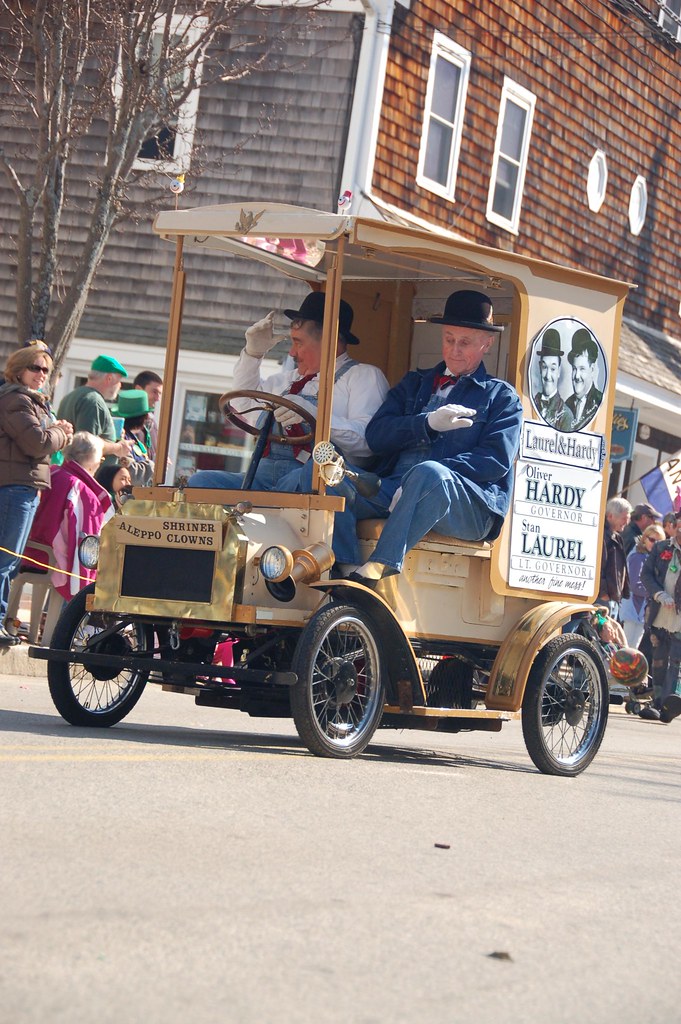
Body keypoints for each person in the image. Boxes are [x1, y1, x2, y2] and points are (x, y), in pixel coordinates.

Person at [345, 290, 523, 588]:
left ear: (487, 343)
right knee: (330, 479)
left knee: (430, 473)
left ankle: (380, 566)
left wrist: (421, 480)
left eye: (464, 342)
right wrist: (424, 423)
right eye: (448, 339)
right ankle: (345, 567)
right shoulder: (414, 384)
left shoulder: (501, 397)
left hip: (469, 506)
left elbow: (494, 461)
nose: (454, 350)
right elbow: (376, 436)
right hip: (395, 490)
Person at [187, 292, 389, 491]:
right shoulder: (286, 380)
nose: (291, 352)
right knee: (200, 483)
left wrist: (316, 416)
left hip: (316, 481)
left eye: (298, 342)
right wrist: (253, 354)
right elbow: (243, 405)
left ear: (330, 342)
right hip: (261, 478)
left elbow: (367, 443)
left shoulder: (363, 376)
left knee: (302, 478)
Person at [0, 343, 72, 644]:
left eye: (46, 369)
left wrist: (55, 430)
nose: (41, 374)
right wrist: (62, 433)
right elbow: (37, 443)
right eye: (36, 368)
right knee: (6, 559)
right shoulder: (15, 399)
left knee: (12, 561)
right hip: (14, 488)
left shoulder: (33, 401)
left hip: (25, 487)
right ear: (19, 370)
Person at [21, 432, 114, 608]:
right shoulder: (80, 490)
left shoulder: (51, 472)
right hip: (50, 559)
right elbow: (85, 546)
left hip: (28, 549)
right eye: (101, 459)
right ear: (92, 459)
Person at [57, 355, 133, 462]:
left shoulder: (73, 395)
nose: (120, 385)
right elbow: (87, 445)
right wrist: (118, 448)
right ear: (109, 378)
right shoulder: (93, 401)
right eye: (119, 381)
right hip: (87, 474)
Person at [640, 529, 681, 722]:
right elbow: (646, 574)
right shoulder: (661, 547)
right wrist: (659, 594)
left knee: (675, 660)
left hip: (679, 617)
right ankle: (657, 702)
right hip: (660, 613)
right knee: (659, 658)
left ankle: (668, 705)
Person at [619, 523, 665, 647]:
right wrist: (656, 594)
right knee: (626, 648)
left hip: (641, 611)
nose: (654, 543)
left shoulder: (650, 557)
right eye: (652, 539)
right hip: (633, 608)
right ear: (644, 539)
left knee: (633, 649)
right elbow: (635, 585)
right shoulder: (637, 556)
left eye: (659, 541)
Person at [597, 496, 632, 619]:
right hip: (603, 599)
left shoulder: (616, 537)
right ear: (610, 516)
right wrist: (603, 592)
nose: (626, 523)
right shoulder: (602, 536)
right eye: (624, 518)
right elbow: (598, 567)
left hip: (612, 598)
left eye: (628, 519)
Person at [532, 329, 574, 431]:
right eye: (545, 367)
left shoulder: (566, 415)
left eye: (553, 369)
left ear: (559, 371)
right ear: (540, 368)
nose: (548, 375)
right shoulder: (531, 402)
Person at [111, 389, 154, 487]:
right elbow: (130, 473)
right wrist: (155, 467)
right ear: (143, 417)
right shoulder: (120, 438)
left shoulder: (132, 437)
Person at [565, 329, 603, 431]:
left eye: (582, 369)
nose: (577, 376)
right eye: (574, 369)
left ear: (592, 369)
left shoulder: (600, 401)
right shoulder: (566, 405)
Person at [133, 370, 163, 459]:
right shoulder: (125, 421)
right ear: (138, 390)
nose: (157, 398)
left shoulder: (151, 422)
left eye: (159, 394)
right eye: (154, 392)